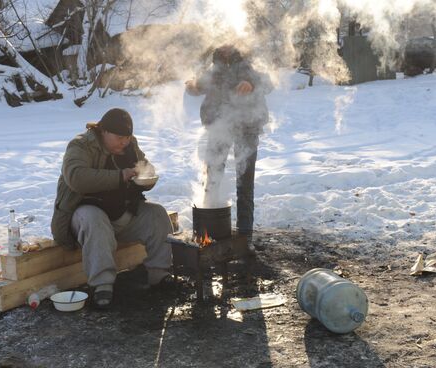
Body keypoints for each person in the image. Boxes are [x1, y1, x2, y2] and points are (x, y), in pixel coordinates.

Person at [50, 108, 173, 309]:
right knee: (94, 218)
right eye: (120, 137)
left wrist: (147, 177)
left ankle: (160, 276)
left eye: (127, 137)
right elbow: (76, 178)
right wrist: (119, 176)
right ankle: (102, 285)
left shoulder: (129, 145)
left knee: (157, 215)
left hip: (122, 214)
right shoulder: (81, 145)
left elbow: (144, 166)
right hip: (83, 216)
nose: (124, 142)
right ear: (104, 131)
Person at [185, 44, 273, 246]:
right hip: (218, 124)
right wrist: (193, 86)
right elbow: (201, 85)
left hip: (247, 125)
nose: (223, 45)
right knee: (212, 177)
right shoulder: (215, 63)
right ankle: (209, 233)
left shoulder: (250, 56)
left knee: (244, 184)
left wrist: (251, 82)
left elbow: (269, 82)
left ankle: (245, 237)